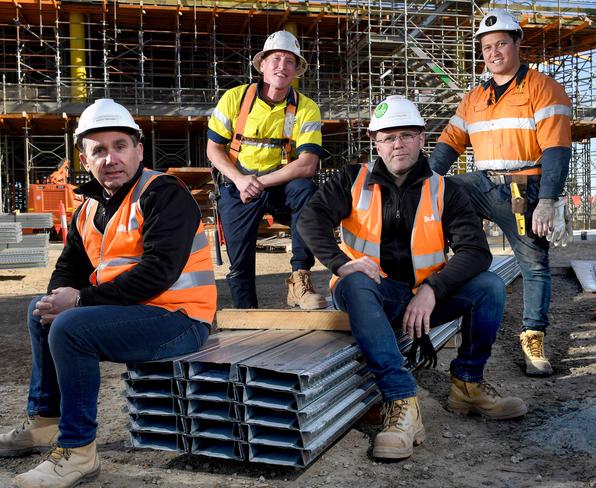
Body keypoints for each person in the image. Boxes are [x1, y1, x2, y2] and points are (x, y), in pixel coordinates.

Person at [0, 98, 217, 488]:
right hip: (133, 313)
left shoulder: (163, 193)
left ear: (138, 150)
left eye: (120, 146)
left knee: (70, 327)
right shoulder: (88, 208)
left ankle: (79, 451)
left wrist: (79, 301)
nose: (110, 158)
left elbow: (159, 272)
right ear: (84, 158)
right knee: (41, 309)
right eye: (98, 150)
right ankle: (45, 422)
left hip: (181, 319)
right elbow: (68, 267)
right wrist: (55, 299)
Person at [298, 95, 527, 461]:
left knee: (489, 286)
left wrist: (432, 290)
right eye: (387, 137)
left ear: (422, 140)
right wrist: (341, 264)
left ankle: (467, 384)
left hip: (423, 297)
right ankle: (401, 401)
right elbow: (310, 220)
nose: (397, 144)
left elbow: (476, 252)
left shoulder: (445, 190)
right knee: (355, 283)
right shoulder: (351, 180)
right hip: (370, 294)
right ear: (375, 142)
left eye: (406, 135)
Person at [428, 9, 573, 377]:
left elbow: (556, 148)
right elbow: (450, 141)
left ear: (517, 44)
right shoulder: (475, 97)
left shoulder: (542, 87)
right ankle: (436, 294)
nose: (493, 53)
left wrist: (547, 201)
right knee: (437, 193)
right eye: (486, 47)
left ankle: (533, 335)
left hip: (524, 189)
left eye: (500, 44)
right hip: (481, 182)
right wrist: (424, 184)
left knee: (533, 263)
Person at [207, 30, 325, 310]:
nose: (281, 66)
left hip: (279, 183)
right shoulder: (235, 99)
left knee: (307, 192)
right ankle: (246, 311)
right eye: (276, 59)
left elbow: (308, 164)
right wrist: (239, 179)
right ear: (262, 64)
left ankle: (300, 279)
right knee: (239, 258)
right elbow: (214, 149)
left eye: (289, 61)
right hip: (237, 184)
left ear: (297, 70)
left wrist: (257, 182)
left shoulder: (306, 108)